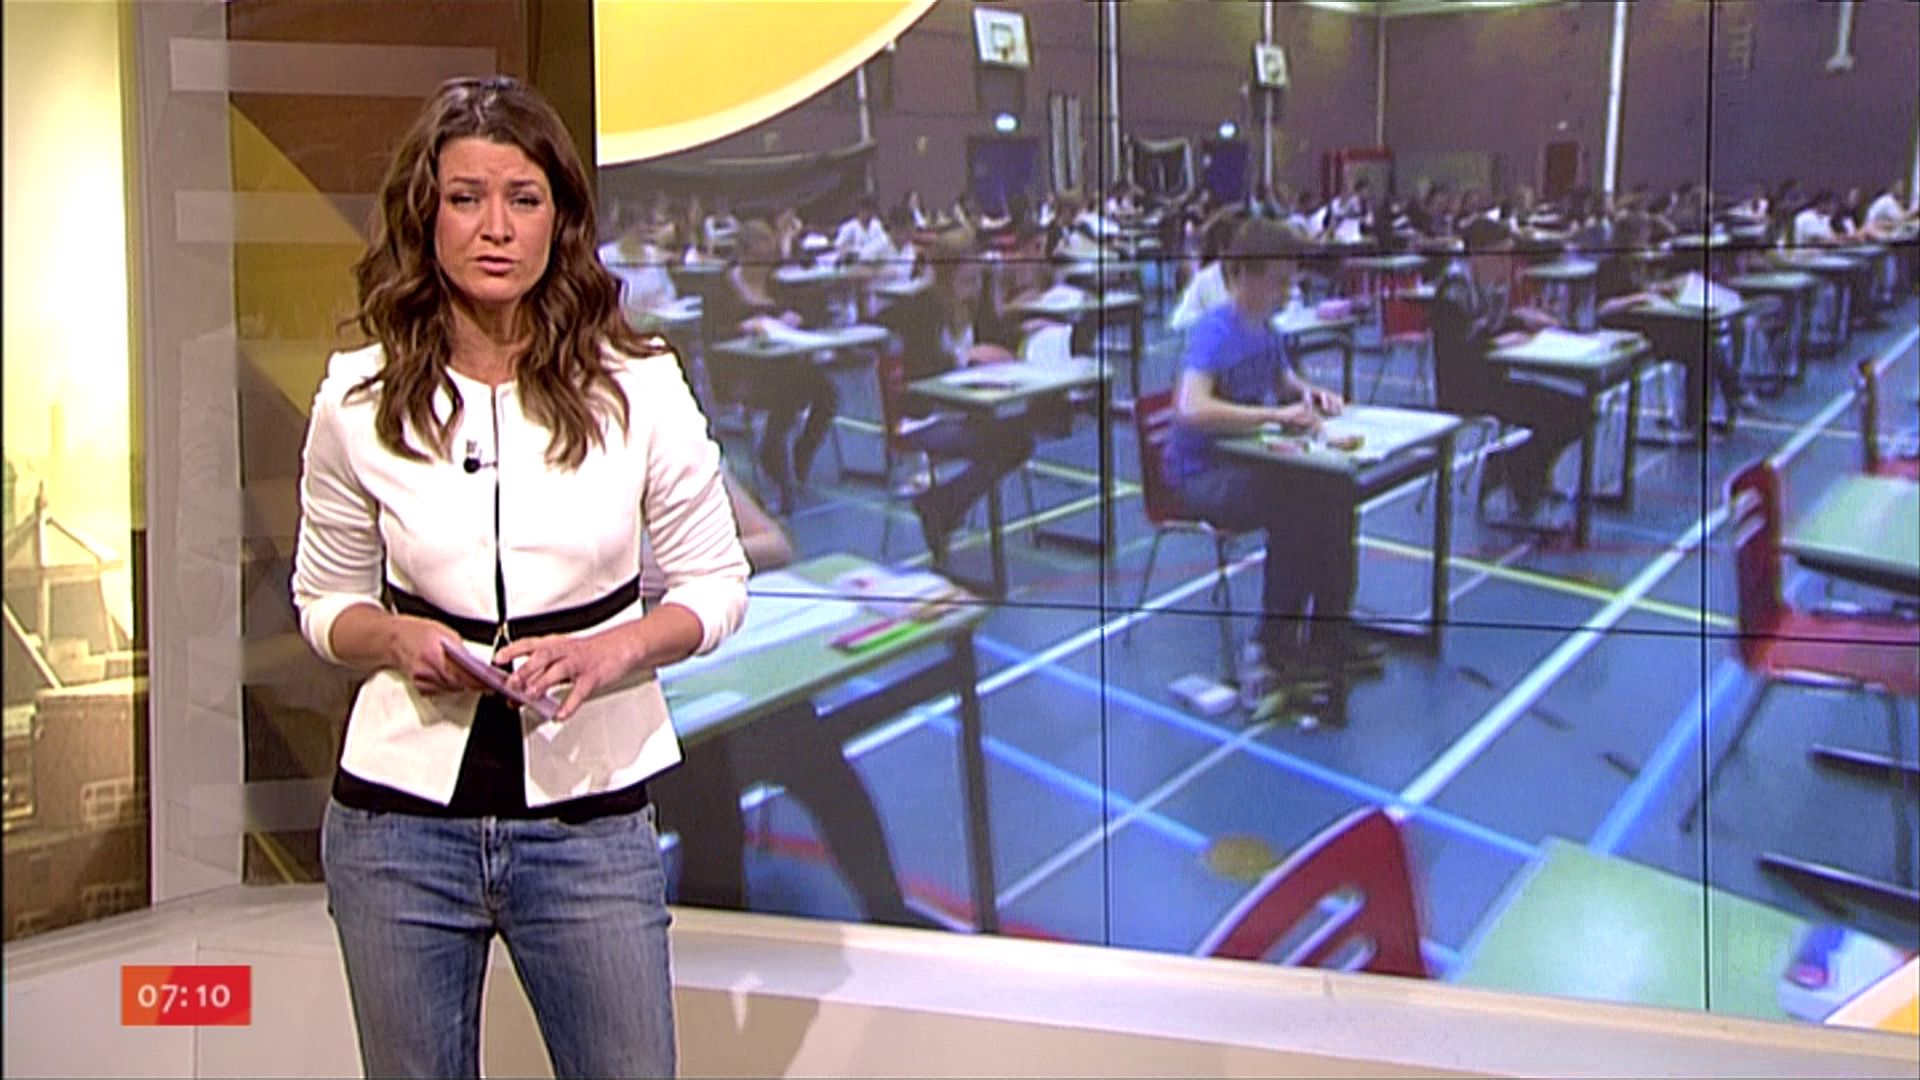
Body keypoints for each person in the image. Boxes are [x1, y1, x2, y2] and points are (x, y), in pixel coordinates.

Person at [292, 75, 750, 1079]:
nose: (495, 228)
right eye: (466, 198)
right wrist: (396, 638)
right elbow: (324, 603)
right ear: (427, 215)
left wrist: (611, 651)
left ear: (560, 218)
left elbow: (716, 585)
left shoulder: (638, 386)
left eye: (523, 198)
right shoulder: (357, 399)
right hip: (396, 834)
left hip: (588, 826)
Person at [1164, 219, 1371, 711]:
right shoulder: (1214, 331)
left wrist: (1309, 394)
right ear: (1244, 276)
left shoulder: (1265, 329)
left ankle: (1328, 635)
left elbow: (1281, 379)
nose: (1286, 292)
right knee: (1298, 502)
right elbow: (1191, 407)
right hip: (1202, 476)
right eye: (1278, 282)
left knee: (1336, 491)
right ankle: (1274, 645)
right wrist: (1274, 416)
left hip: (1250, 465)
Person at [873, 235, 1040, 564]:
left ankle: (942, 503)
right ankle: (941, 506)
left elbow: (994, 339)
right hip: (924, 417)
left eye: (976, 278)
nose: (974, 286)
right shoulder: (921, 307)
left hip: (962, 410)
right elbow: (925, 371)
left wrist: (1023, 328)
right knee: (999, 443)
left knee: (1019, 439)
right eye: (967, 279)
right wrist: (966, 359)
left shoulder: (972, 305)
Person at [1427, 217, 1586, 522]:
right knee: (1563, 414)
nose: (1507, 262)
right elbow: (1460, 351)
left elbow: (1490, 327)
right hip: (1466, 391)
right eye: (1501, 254)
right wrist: (1501, 340)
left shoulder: (1487, 285)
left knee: (1577, 410)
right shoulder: (1453, 291)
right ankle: (1519, 472)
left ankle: (1515, 468)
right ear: (1479, 254)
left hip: (1493, 379)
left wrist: (1520, 319)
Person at [705, 220, 841, 513]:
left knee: (827, 393)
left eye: (768, 261)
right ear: (744, 254)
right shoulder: (721, 289)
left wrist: (796, 318)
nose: (765, 268)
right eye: (759, 260)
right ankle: (774, 460)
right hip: (743, 374)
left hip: (783, 365)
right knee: (787, 394)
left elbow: (808, 312)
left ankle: (801, 454)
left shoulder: (776, 285)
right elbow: (713, 336)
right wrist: (743, 327)